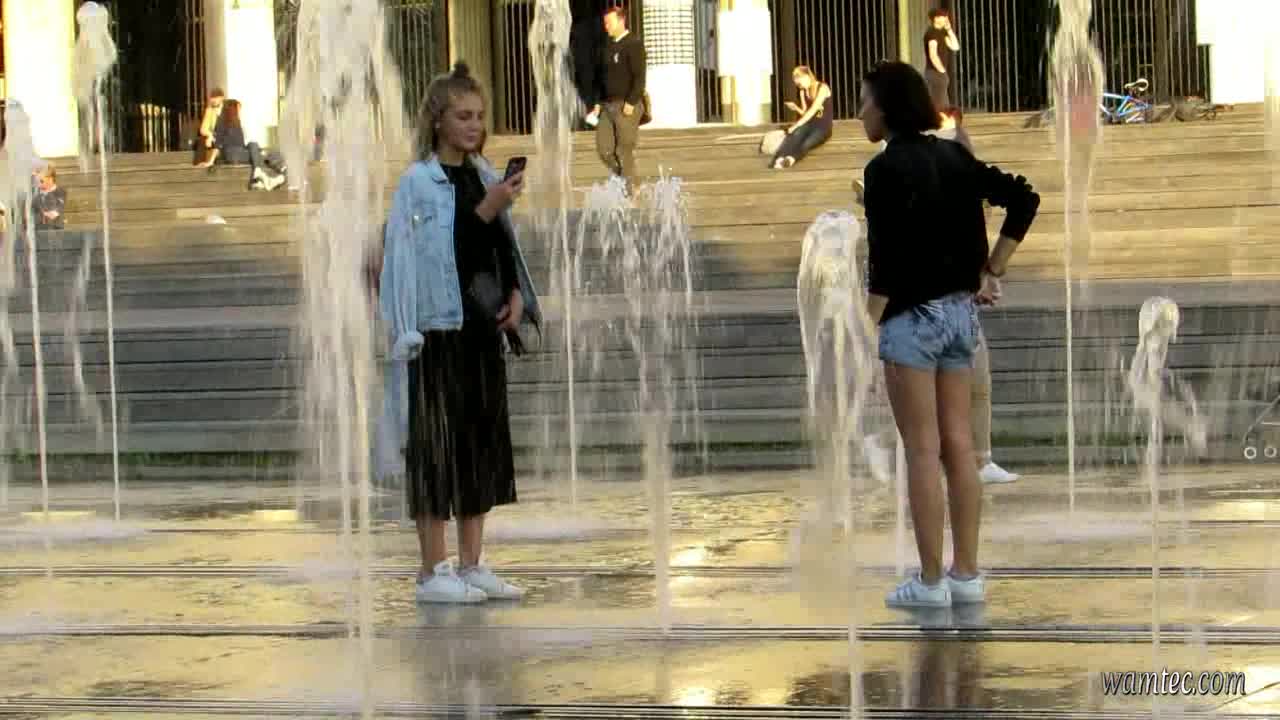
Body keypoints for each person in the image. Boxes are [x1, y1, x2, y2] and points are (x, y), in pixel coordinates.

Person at [858, 61, 1038, 608]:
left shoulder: (882, 169)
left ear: (886, 108)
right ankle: (967, 574)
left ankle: (931, 581)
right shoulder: (954, 156)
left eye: (865, 101)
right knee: (959, 444)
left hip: (912, 320)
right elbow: (1024, 197)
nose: (860, 112)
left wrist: (864, 326)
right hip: (961, 318)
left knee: (921, 449)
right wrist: (992, 268)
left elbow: (886, 265)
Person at [380, 62, 542, 604]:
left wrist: (515, 295)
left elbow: (498, 247)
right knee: (435, 447)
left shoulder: (483, 172)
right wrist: (488, 208)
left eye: (479, 116)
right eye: (462, 116)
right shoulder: (417, 182)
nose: (473, 125)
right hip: (437, 330)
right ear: (438, 120)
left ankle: (472, 564)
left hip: (480, 330)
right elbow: (423, 255)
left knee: (479, 442)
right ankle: (433, 570)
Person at [931, 107, 1018, 485]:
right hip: (933, 302)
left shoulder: (956, 179)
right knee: (950, 385)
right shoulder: (913, 170)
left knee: (974, 380)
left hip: (954, 298)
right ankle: (964, 462)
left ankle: (978, 460)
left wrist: (988, 273)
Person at [586, 5, 646, 189]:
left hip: (626, 106)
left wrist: (631, 102)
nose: (606, 27)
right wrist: (597, 103)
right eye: (604, 23)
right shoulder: (607, 46)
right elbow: (600, 78)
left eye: (609, 23)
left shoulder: (633, 44)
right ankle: (630, 181)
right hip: (607, 106)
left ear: (621, 21)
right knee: (604, 150)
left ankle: (631, 190)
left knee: (623, 150)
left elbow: (640, 77)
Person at [194, 100, 287, 191]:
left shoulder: (236, 123)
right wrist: (210, 161)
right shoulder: (222, 123)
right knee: (259, 150)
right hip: (233, 155)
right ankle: (277, 169)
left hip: (237, 153)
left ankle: (258, 180)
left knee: (254, 147)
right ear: (232, 109)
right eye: (238, 108)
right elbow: (218, 144)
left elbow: (240, 144)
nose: (239, 111)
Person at [771, 66, 834, 169]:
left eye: (800, 82)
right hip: (809, 124)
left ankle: (790, 159)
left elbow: (813, 110)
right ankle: (779, 158)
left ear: (807, 76)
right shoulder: (803, 92)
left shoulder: (822, 88)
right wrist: (796, 108)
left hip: (823, 127)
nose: (799, 86)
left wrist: (795, 126)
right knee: (795, 135)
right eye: (797, 84)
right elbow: (805, 113)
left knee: (807, 143)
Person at [923, 8, 959, 110]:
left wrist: (949, 30)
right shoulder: (932, 33)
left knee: (943, 104)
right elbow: (933, 55)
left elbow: (955, 46)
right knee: (939, 104)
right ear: (936, 18)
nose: (946, 19)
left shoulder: (942, 33)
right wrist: (942, 71)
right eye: (944, 17)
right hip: (934, 73)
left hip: (938, 73)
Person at [193, 88, 225, 166]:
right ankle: (199, 163)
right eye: (212, 98)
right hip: (214, 137)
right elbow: (203, 129)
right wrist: (210, 135)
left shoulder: (227, 109)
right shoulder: (209, 110)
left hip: (225, 137)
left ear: (222, 98)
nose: (213, 100)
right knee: (202, 139)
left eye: (216, 98)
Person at [33, 163, 67, 231]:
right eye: (37, 181)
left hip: (54, 228)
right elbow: (35, 206)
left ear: (50, 179)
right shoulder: (38, 193)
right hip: (39, 229)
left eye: (41, 181)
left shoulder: (59, 192)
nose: (38, 184)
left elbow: (55, 211)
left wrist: (47, 213)